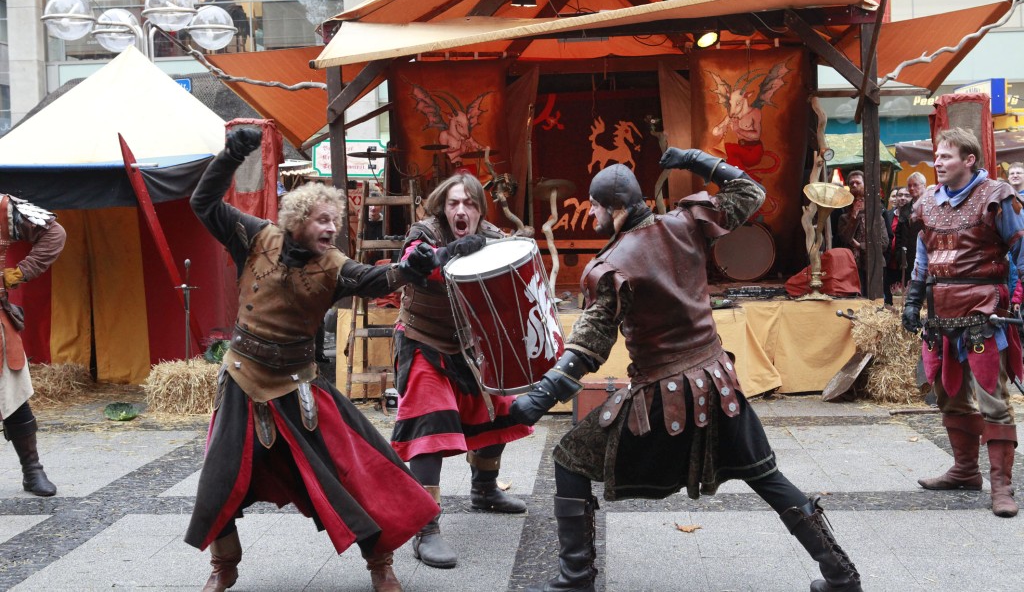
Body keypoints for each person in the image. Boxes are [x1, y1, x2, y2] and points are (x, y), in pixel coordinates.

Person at [511, 154, 862, 592]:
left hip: (665, 395)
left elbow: (589, 344)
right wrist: (694, 160)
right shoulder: (686, 221)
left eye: (596, 206)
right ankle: (842, 576)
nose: (593, 213)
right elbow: (750, 192)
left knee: (569, 459)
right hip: (719, 381)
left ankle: (575, 579)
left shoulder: (613, 264)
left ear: (616, 210)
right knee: (765, 475)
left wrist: (541, 397)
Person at [184, 126, 441, 592]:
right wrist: (230, 157)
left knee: (355, 473)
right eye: (323, 219)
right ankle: (223, 566)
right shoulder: (255, 237)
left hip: (299, 384)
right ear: (298, 218)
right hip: (241, 379)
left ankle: (380, 562)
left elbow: (374, 280)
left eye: (335, 222)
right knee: (220, 477)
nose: (331, 228)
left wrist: (408, 269)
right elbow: (202, 203)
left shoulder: (335, 266)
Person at [390, 172, 534, 569]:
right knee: (429, 423)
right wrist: (449, 252)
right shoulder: (423, 233)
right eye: (454, 203)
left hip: (469, 344)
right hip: (422, 339)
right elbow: (417, 264)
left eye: (469, 203)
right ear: (442, 206)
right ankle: (425, 527)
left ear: (479, 210)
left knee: (500, 409)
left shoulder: (490, 235)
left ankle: (484, 489)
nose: (461, 210)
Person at [902, 127, 1024, 519]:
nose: (937, 162)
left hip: (985, 310)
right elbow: (923, 255)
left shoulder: (997, 196)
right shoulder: (927, 202)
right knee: (948, 394)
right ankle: (965, 470)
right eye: (936, 156)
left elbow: (1021, 250)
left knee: (992, 397)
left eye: (946, 156)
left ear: (969, 160)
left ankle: (1002, 486)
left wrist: (1020, 298)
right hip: (941, 313)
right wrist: (913, 300)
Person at [1, 194, 65, 498]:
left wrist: (19, 273)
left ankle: (32, 470)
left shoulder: (2, 207)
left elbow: (54, 233)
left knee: (13, 396)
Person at [837, 170, 888, 296]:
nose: (859, 202)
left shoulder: (876, 218)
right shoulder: (844, 218)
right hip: (852, 265)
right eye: (855, 200)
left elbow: (884, 243)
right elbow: (845, 239)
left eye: (862, 199)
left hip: (874, 264)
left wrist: (861, 246)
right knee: (856, 297)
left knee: (874, 297)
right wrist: (853, 218)